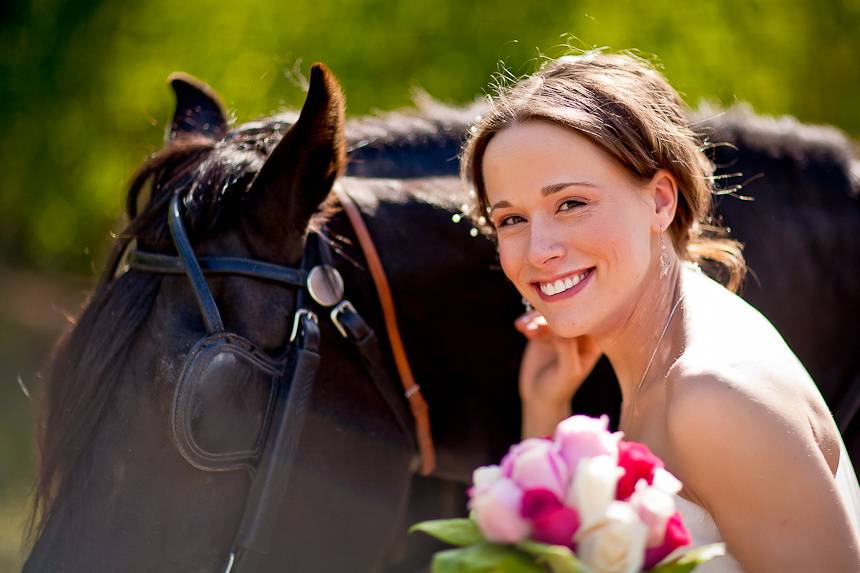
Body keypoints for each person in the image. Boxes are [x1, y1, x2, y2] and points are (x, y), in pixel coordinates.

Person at [461, 51, 860, 572]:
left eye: (571, 204)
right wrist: (544, 407)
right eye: (511, 219)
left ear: (660, 201)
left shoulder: (713, 397)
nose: (538, 251)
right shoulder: (666, 353)